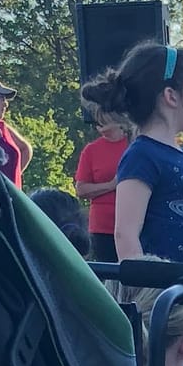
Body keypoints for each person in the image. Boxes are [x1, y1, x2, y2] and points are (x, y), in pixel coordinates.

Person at [85, 41, 183, 319]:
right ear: (171, 96)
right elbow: (125, 234)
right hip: (170, 312)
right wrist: (148, 302)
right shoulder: (142, 155)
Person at [73, 99, 131, 261]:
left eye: (104, 121)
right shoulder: (91, 150)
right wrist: (111, 185)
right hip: (102, 227)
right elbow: (81, 190)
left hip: (132, 222)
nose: (100, 126)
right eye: (98, 122)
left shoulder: (133, 146)